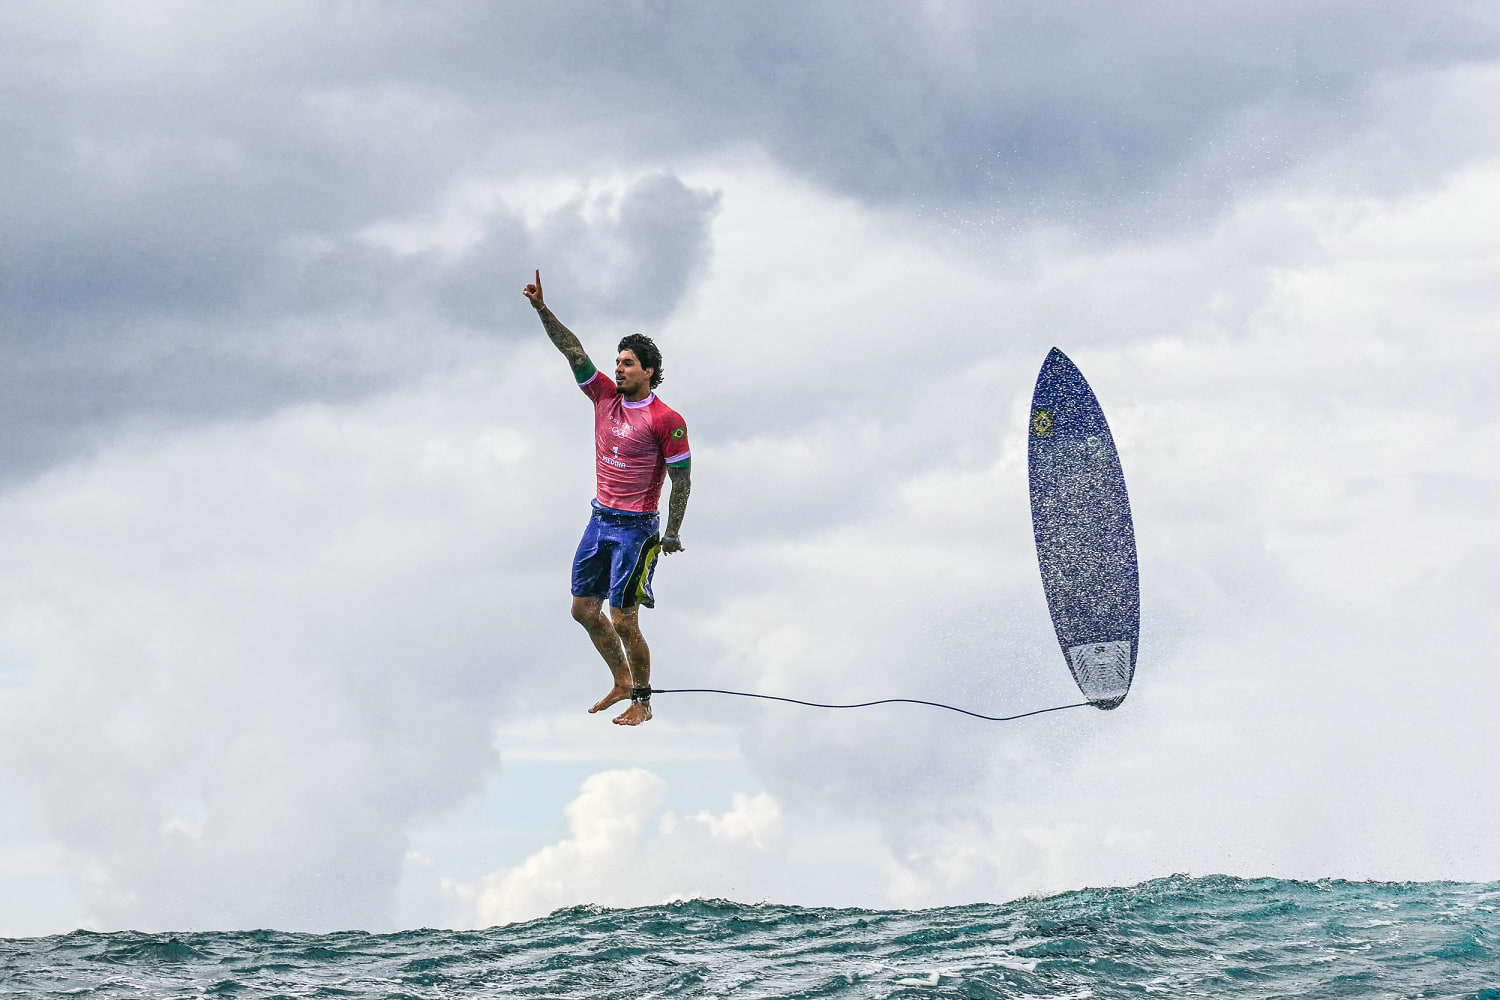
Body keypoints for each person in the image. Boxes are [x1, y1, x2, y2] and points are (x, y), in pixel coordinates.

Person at [523, 269, 692, 726]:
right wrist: (542, 309)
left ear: (649, 371)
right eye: (617, 362)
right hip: (600, 520)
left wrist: (672, 532)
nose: (618, 368)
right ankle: (620, 680)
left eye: (628, 363)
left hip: (637, 530)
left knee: (623, 618)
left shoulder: (666, 419)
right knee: (583, 609)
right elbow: (572, 350)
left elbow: (682, 479)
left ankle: (643, 699)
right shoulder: (603, 397)